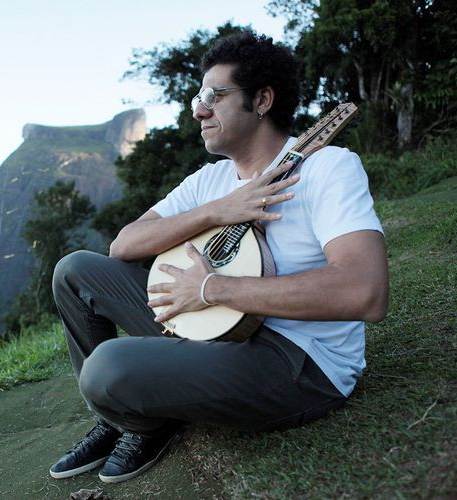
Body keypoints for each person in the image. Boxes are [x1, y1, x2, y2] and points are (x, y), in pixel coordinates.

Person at [48, 31, 389, 484]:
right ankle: (125, 419)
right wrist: (217, 210)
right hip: (213, 330)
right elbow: (124, 245)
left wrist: (212, 288)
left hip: (297, 360)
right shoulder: (209, 181)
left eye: (215, 95)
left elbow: (366, 293)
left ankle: (140, 413)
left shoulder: (328, 167)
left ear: (262, 100)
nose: (198, 108)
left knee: (106, 367)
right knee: (75, 272)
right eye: (197, 96)